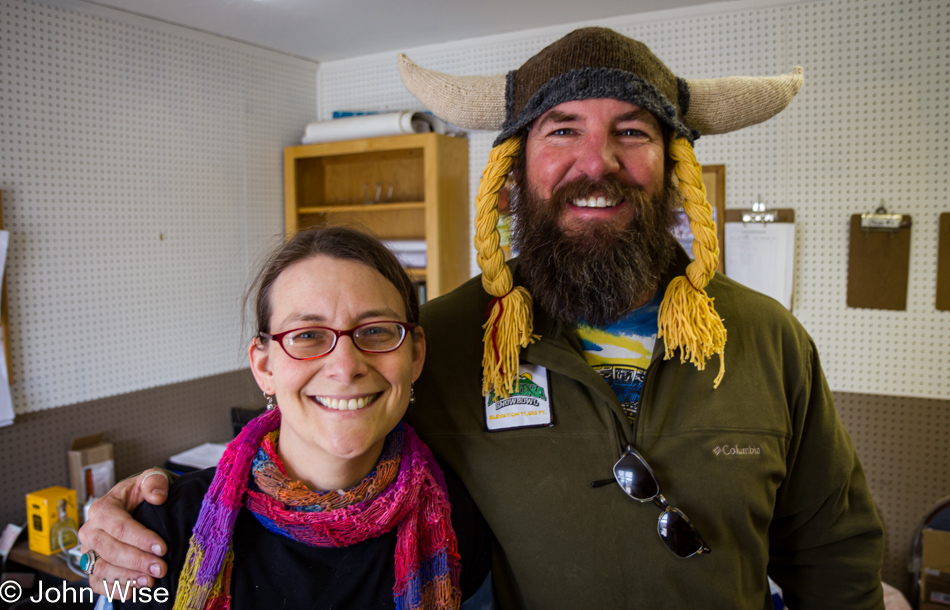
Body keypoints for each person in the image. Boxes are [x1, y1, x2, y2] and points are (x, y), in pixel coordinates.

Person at [81, 27, 885, 609]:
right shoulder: (449, 341)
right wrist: (140, 512)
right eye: (561, 130)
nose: (596, 162)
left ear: (673, 165)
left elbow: (834, 557)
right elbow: (339, 465)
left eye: (630, 132)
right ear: (513, 170)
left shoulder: (767, 339)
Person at [98, 226, 490, 609]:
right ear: (264, 366)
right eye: (307, 335)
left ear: (415, 355)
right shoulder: (159, 533)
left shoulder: (457, 519)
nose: (345, 366)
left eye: (375, 331)